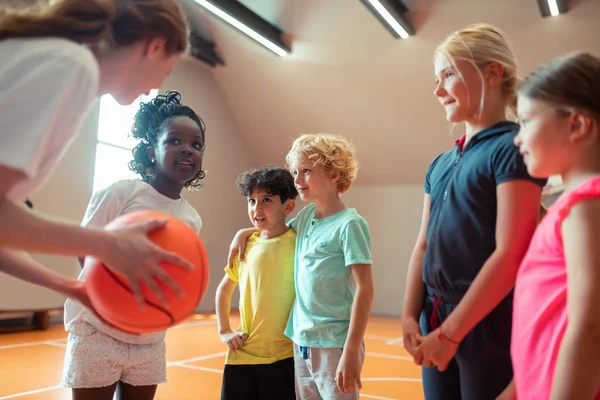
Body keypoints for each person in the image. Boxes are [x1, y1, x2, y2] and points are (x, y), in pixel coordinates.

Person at [0, 0, 192, 308]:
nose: (155, 87)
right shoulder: (73, 66)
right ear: (155, 45)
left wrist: (73, 287)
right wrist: (107, 244)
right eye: (166, 73)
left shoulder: (61, 59)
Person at [401, 23, 546, 399]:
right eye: (437, 78)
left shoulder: (512, 150)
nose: (437, 90)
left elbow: (511, 252)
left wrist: (453, 333)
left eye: (448, 74)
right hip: (433, 315)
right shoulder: (440, 163)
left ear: (492, 73)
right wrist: (407, 313)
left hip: (488, 320)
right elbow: (422, 246)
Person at [62, 91, 206, 400]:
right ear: (152, 152)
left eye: (196, 145)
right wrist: (114, 299)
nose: (187, 149)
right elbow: (84, 247)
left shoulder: (192, 219)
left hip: (150, 338)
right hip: (97, 330)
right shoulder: (122, 192)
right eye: (174, 141)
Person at [229, 133, 374, 399]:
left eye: (306, 171)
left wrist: (352, 350)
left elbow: (365, 289)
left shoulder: (350, 224)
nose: (297, 179)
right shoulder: (306, 216)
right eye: (296, 171)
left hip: (334, 342)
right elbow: (274, 229)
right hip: (301, 340)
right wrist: (243, 232)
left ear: (334, 175)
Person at [499, 52, 600, 400]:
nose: (517, 137)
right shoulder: (573, 205)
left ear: (576, 125)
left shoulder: (586, 204)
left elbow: (589, 326)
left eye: (526, 121)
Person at [216, 166, 298, 400]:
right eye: (251, 201)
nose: (257, 209)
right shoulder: (245, 244)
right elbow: (224, 290)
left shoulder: (299, 243)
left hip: (284, 358)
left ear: (288, 206)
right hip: (242, 355)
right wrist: (224, 331)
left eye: (267, 200)